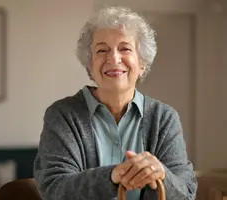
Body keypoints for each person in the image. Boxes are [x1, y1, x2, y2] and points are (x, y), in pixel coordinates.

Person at [33, 6, 197, 200]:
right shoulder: (62, 115)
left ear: (142, 63)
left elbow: (186, 193)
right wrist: (112, 176)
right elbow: (54, 189)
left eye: (125, 48)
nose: (113, 58)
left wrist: (161, 174)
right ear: (90, 65)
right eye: (102, 50)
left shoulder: (164, 118)